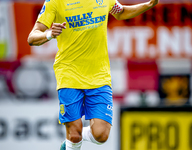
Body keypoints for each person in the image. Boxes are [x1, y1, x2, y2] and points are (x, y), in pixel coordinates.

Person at [27, 0, 159, 149]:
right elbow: (32, 38)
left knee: (101, 135)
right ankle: (72, 137)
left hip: (99, 76)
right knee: (74, 135)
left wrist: (148, 5)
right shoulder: (55, 2)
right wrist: (49, 33)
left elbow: (120, 12)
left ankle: (72, 136)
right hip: (69, 74)